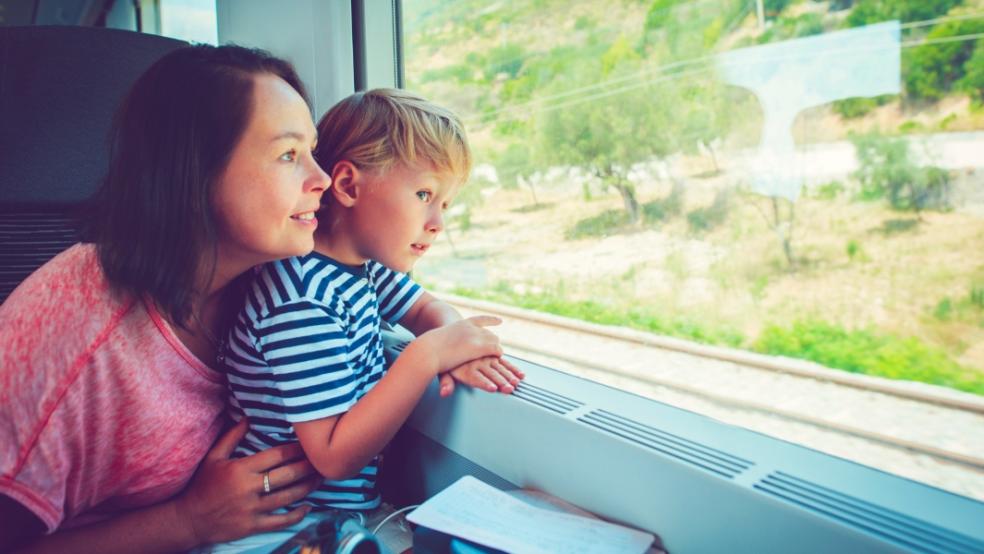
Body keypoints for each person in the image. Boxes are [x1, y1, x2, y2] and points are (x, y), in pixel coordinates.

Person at [0, 44, 332, 552]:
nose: (322, 179)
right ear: (196, 170)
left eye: (312, 150)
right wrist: (189, 522)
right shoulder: (79, 341)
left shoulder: (276, 283)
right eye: (289, 154)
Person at [217, 89, 523, 547]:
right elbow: (334, 457)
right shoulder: (302, 298)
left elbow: (425, 309)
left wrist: (453, 343)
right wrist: (426, 356)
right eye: (424, 194)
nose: (438, 221)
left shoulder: (365, 268)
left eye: (447, 203)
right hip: (275, 526)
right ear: (348, 187)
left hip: (332, 516)